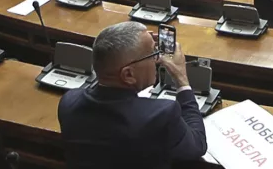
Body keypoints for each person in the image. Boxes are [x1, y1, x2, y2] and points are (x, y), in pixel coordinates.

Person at [57, 22, 207, 168]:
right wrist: (181, 78)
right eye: (153, 54)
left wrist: (142, 43)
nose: (157, 60)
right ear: (128, 74)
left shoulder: (69, 102)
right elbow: (197, 145)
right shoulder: (161, 115)